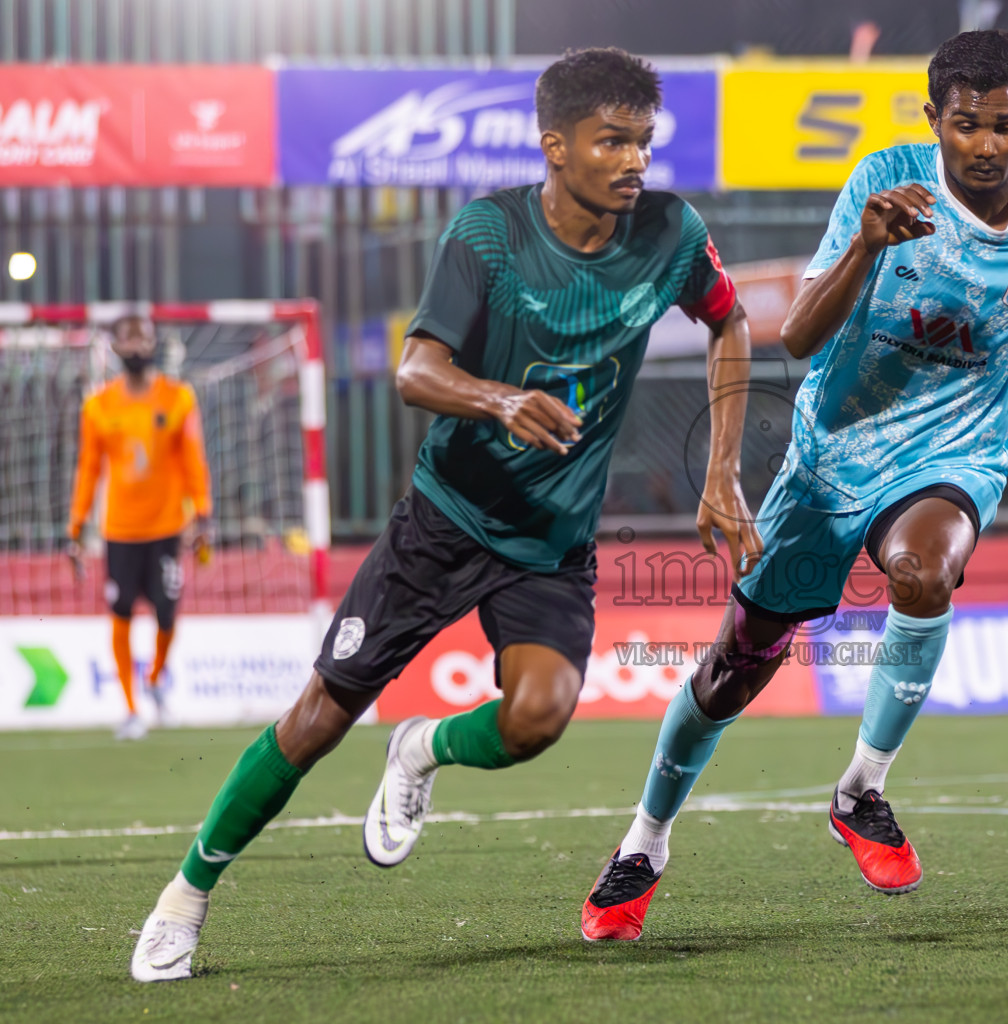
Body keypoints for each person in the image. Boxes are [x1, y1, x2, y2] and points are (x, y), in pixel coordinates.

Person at [581, 29, 1008, 942]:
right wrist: (864, 245)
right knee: (736, 666)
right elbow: (801, 338)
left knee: (922, 572)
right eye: (966, 125)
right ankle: (645, 842)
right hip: (833, 456)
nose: (986, 146)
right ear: (935, 120)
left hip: (956, 455)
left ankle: (862, 790)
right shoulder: (884, 183)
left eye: (1005, 126)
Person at [130, 47, 759, 983]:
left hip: (550, 546)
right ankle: (184, 898)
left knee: (538, 718)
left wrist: (722, 472)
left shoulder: (671, 234)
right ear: (556, 146)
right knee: (314, 720)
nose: (634, 161)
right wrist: (504, 400)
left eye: (644, 142)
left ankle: (421, 746)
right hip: (445, 519)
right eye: (612, 141)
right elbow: (415, 369)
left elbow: (730, 321)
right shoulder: (490, 233)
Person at [67, 314, 212, 742]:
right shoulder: (98, 406)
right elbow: (88, 470)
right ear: (114, 350)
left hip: (168, 526)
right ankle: (131, 709)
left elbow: (193, 459)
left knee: (167, 614)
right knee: (121, 612)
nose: (135, 348)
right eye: (126, 341)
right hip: (120, 531)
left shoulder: (178, 398)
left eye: (142, 339)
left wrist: (202, 512)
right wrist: (76, 525)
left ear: (154, 344)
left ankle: (155, 677)